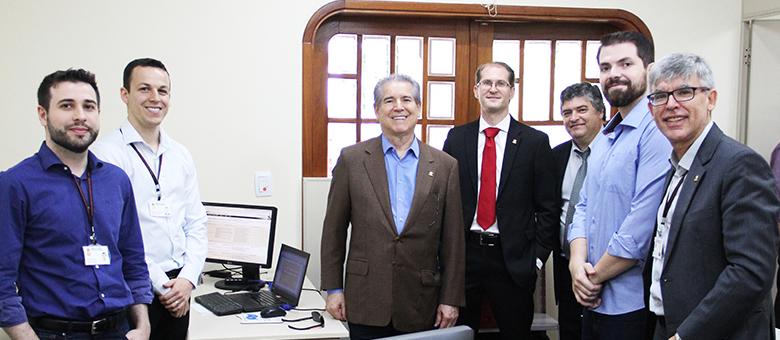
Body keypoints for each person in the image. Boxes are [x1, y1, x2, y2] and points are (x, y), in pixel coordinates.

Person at [0, 69, 152, 339]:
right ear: (43, 114)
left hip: (119, 329)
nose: (80, 115)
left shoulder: (116, 180)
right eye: (67, 105)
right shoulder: (15, 184)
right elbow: (1, 279)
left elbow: (134, 261)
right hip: (54, 333)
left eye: (89, 106)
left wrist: (143, 326)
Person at [644, 53, 780, 340]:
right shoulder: (678, 166)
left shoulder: (740, 165)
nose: (671, 104)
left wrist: (685, 335)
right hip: (669, 323)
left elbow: (750, 272)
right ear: (650, 108)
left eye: (684, 92)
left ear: (711, 99)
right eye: (660, 96)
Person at [320, 74, 465, 339]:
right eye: (389, 100)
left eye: (406, 99)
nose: (399, 107)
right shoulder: (352, 160)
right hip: (365, 297)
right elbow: (333, 232)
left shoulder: (445, 166)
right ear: (377, 110)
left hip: (421, 301)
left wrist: (450, 298)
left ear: (418, 107)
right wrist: (333, 289)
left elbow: (453, 242)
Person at [92, 58, 207, 340]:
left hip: (180, 287)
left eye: (163, 90)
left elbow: (196, 222)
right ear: (125, 94)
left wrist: (188, 279)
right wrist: (164, 285)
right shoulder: (107, 154)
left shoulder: (180, 154)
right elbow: (114, 235)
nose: (155, 98)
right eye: (144, 89)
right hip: (136, 288)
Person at [566, 31, 671, 340]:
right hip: (592, 296)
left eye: (626, 64)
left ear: (649, 70)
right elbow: (583, 206)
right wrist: (576, 266)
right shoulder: (606, 136)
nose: (614, 74)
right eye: (606, 67)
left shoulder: (656, 131)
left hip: (630, 303)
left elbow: (640, 226)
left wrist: (592, 277)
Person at [442, 62, 559, 339]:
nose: (493, 89)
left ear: (512, 91)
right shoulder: (457, 138)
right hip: (465, 256)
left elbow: (549, 207)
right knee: (458, 334)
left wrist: (536, 260)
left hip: (512, 260)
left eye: (501, 83)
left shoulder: (535, 142)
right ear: (476, 90)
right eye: (487, 83)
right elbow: (444, 201)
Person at [551, 82, 605, 340]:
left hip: (606, 267)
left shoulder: (617, 151)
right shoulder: (556, 156)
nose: (573, 118)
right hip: (566, 266)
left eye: (582, 110)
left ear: (601, 112)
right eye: (567, 112)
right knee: (570, 332)